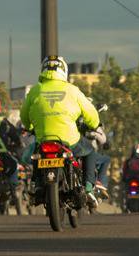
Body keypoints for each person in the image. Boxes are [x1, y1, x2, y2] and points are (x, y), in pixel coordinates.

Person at [20, 55, 102, 205]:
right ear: (64, 71)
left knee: (37, 154)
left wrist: (30, 127)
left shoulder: (35, 90)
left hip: (43, 139)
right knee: (90, 151)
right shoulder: (72, 90)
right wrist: (94, 124)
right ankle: (89, 188)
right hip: (69, 140)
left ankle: (37, 184)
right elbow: (91, 114)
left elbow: (24, 115)